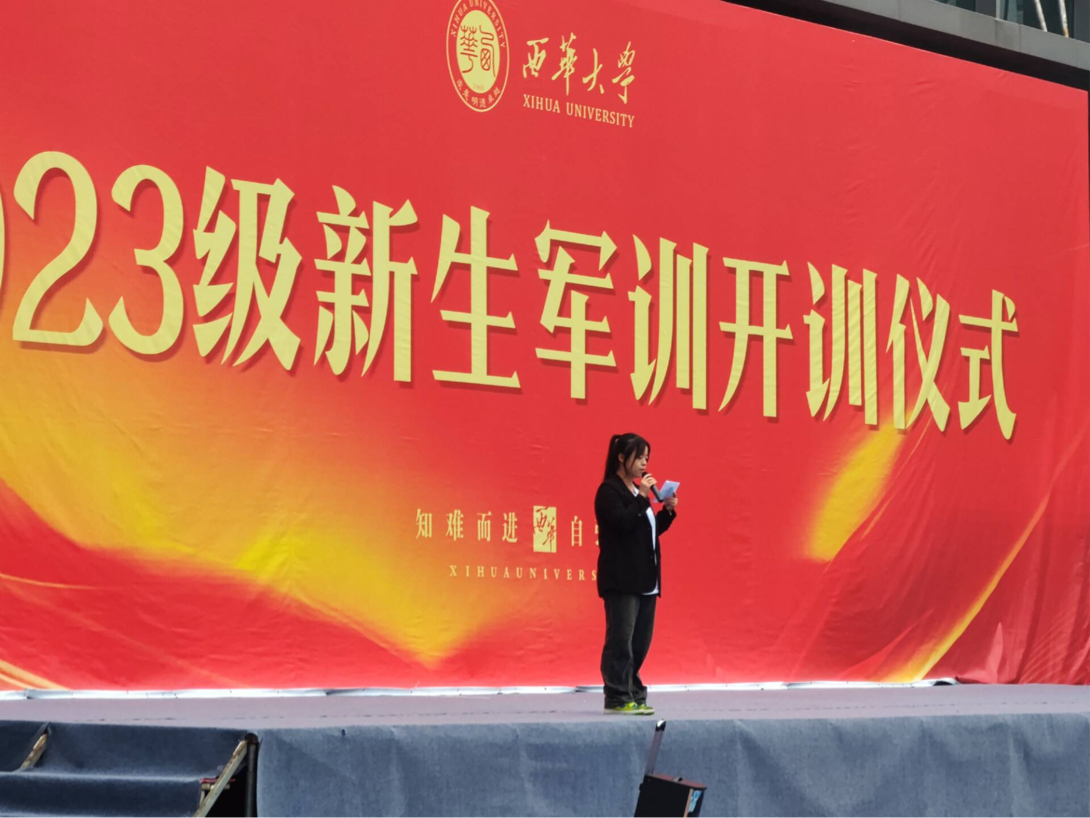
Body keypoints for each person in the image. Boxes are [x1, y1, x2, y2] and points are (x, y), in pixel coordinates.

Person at [594, 432, 678, 715]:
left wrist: (666, 513)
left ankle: (633, 692)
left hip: (646, 579)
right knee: (621, 640)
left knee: (640, 641)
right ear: (621, 458)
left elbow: (646, 532)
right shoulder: (609, 491)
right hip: (622, 580)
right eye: (639, 457)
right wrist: (642, 497)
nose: (644, 463)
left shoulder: (636, 492)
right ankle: (617, 696)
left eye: (647, 458)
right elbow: (622, 523)